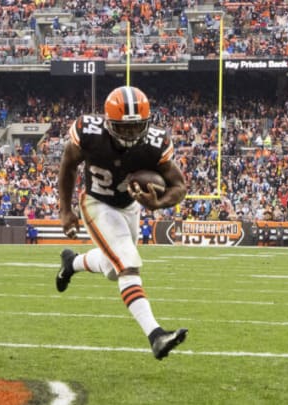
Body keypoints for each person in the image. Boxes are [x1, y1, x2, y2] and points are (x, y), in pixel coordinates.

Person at [56, 86, 188, 360]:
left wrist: (158, 203)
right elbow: (68, 166)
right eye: (123, 128)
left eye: (136, 127)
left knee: (112, 268)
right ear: (107, 122)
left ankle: (72, 263)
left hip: (129, 207)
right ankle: (156, 335)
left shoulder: (154, 143)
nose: (130, 134)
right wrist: (65, 210)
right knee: (127, 264)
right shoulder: (88, 132)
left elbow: (179, 186)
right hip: (97, 202)